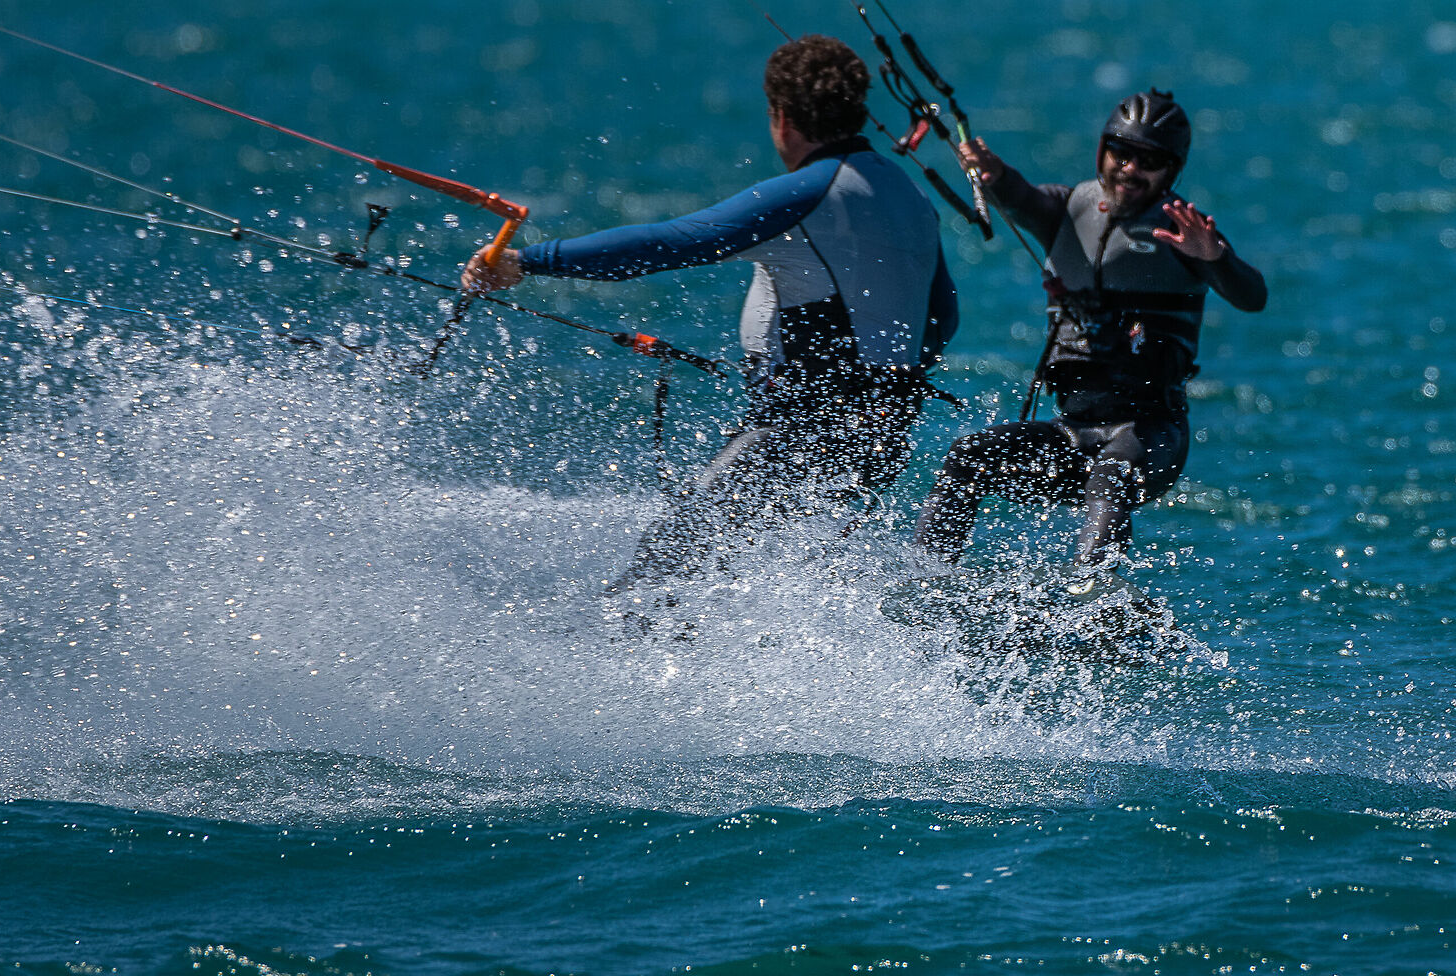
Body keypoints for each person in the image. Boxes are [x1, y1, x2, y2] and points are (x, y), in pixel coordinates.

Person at [463, 34, 957, 595]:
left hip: (800, 430)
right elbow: (941, 320)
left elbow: (670, 243)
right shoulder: (911, 197)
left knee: (658, 576)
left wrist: (529, 261)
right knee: (762, 579)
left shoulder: (807, 193)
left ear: (782, 117)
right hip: (881, 433)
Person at [911, 88, 1266, 582]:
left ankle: (1094, 595)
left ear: (1172, 170)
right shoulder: (1066, 209)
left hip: (1149, 435)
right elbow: (1020, 197)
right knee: (971, 456)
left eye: (1149, 162)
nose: (1130, 169)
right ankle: (923, 582)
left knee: (1111, 476)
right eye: (1121, 153)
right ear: (1102, 150)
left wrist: (1215, 258)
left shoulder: (1184, 231)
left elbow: (1252, 295)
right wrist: (993, 174)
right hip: (1074, 431)